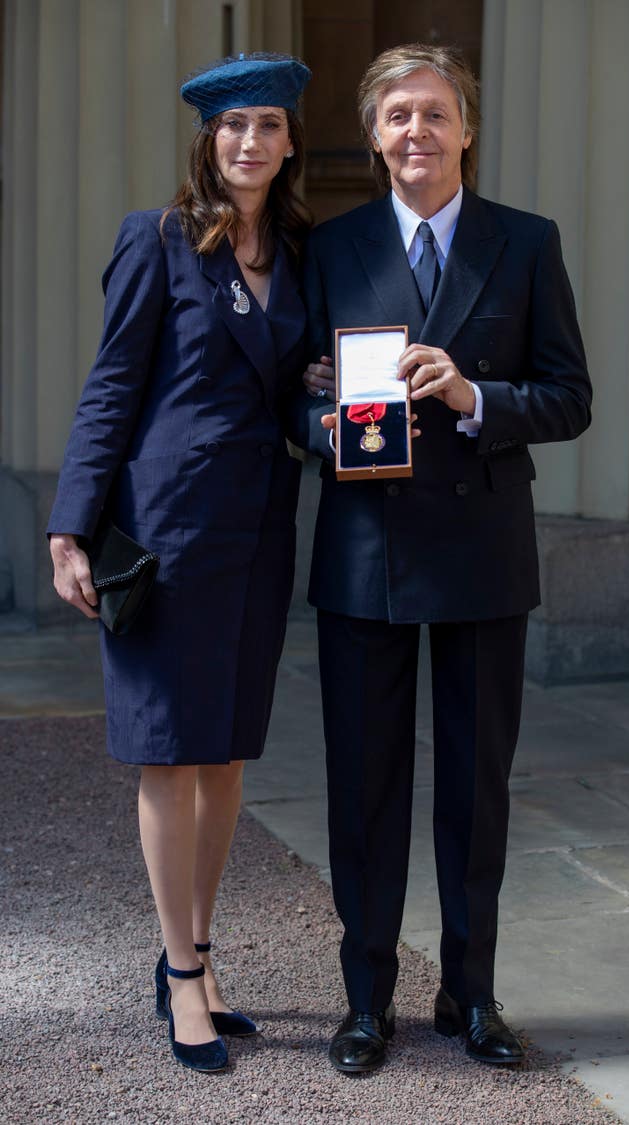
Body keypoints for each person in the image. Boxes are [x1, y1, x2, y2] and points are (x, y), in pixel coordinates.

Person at [290, 43, 592, 1074]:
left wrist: (472, 398)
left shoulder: (526, 243)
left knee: (474, 789)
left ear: (465, 129)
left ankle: (471, 994)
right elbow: (292, 390)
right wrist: (323, 414)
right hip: (365, 546)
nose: (414, 133)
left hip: (479, 550)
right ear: (373, 137)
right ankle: (365, 1002)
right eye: (395, 117)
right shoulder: (328, 249)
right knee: (364, 785)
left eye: (433, 115)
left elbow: (570, 397)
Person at [48, 53, 311, 1074]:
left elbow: (283, 384)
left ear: (291, 142)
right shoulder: (157, 238)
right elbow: (112, 383)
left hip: (258, 526)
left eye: (270, 126)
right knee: (169, 749)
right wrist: (71, 525)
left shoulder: (295, 246)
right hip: (163, 530)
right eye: (233, 124)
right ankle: (181, 974)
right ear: (208, 137)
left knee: (227, 752)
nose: (250, 142)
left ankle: (198, 954)